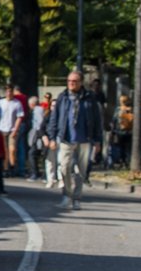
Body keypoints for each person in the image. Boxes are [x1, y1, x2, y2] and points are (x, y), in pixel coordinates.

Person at [45, 70, 105, 209]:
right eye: (69, 81)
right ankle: (67, 195)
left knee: (81, 171)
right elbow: (55, 118)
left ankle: (77, 198)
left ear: (81, 82)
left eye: (74, 81)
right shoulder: (63, 97)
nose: (71, 83)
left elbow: (97, 120)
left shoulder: (90, 98)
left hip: (85, 139)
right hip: (66, 137)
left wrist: (97, 140)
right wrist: (52, 137)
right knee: (64, 167)